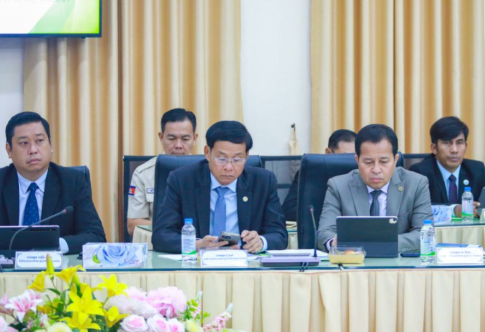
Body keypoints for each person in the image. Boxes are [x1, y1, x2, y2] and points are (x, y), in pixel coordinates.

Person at [0, 112, 106, 255]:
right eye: (24, 143)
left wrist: (54, 245)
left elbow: (96, 236)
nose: (33, 150)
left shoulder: (73, 181)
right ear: (9, 150)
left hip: (57, 267)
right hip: (9, 267)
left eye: (39, 141)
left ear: (50, 144)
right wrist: (19, 244)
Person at [152, 121, 287, 253]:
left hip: (245, 262)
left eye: (237, 159)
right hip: (198, 262)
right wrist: (196, 245)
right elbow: (161, 236)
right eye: (221, 159)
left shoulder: (263, 181)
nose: (228, 167)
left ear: (246, 156)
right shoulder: (182, 180)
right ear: (207, 153)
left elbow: (279, 234)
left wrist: (261, 242)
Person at [317, 124, 432, 251]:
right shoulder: (338, 186)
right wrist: (334, 242)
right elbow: (324, 233)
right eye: (368, 162)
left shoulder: (416, 184)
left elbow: (423, 233)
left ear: (395, 160)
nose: (376, 170)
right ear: (357, 160)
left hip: (397, 261)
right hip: (353, 260)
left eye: (384, 162)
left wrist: (377, 243)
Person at [127, 108, 198, 236]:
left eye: (185, 139)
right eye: (171, 138)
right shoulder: (143, 173)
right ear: (161, 137)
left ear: (195, 138)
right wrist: (169, 230)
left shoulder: (207, 171)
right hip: (156, 244)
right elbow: (132, 225)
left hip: (199, 243)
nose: (178, 145)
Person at [409, 116, 485, 221]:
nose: (454, 150)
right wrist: (455, 210)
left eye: (459, 143)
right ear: (434, 148)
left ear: (466, 146)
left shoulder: (476, 170)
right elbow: (417, 209)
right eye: (447, 143)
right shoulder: (420, 173)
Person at [282, 129, 356, 221]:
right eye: (344, 157)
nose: (350, 162)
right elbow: (289, 211)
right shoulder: (311, 172)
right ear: (328, 152)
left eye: (353, 157)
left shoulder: (361, 176)